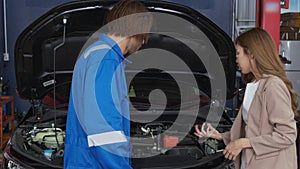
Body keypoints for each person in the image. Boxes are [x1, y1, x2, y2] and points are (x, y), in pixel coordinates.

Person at [64, 0, 152, 168]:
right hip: (95, 163)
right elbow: (102, 128)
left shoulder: (96, 52)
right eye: (144, 35)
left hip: (85, 159)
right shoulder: (105, 60)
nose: (144, 42)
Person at [194, 27, 298, 169]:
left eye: (238, 53)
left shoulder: (272, 86)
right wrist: (221, 136)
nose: (236, 60)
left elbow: (287, 135)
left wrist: (243, 143)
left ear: (252, 54)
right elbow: (252, 129)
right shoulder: (254, 84)